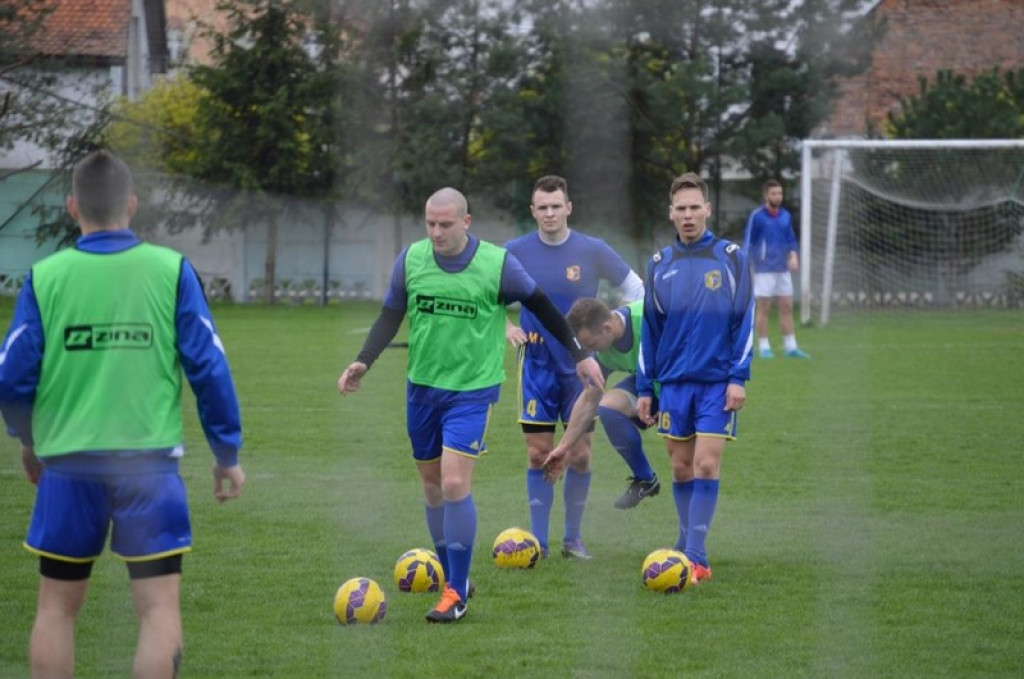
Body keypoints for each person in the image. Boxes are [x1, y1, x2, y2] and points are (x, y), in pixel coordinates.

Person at [0, 150, 245, 679]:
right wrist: (226, 451)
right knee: (158, 609)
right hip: (148, 468)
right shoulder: (171, 270)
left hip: (68, 466)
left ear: (72, 207)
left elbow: (12, 379)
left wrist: (28, 439)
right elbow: (209, 368)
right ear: (132, 205)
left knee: (56, 610)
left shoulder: (46, 278)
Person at [337, 187, 603, 624]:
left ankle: (456, 593)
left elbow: (545, 308)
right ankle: (453, 575)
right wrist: (363, 361)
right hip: (422, 390)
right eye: (430, 223)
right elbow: (390, 314)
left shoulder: (498, 265)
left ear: (466, 221)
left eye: (445, 224)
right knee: (432, 488)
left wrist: (580, 355)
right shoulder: (411, 260)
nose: (437, 232)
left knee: (455, 483)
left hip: (473, 392)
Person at [505, 175, 644, 559]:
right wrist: (508, 325)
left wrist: (616, 325)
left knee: (580, 454)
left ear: (568, 208)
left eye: (556, 206)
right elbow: (484, 293)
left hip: (581, 370)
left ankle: (572, 539)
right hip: (535, 366)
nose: (549, 213)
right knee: (538, 454)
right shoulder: (514, 251)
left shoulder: (592, 249)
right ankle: (538, 543)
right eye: (542, 207)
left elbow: (636, 289)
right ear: (533, 211)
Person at [636, 172, 754, 585]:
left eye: (694, 207)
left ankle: (698, 557)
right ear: (671, 214)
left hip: (716, 383)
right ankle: (685, 545)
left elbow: (745, 321)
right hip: (672, 385)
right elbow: (649, 332)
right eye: (680, 209)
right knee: (681, 468)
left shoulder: (733, 257)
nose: (688, 215)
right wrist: (644, 388)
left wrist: (738, 377)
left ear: (708, 209)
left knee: (706, 463)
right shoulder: (658, 265)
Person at [542, 297, 660, 509]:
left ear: (607, 327)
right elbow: (589, 399)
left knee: (685, 463)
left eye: (591, 345)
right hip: (650, 383)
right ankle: (646, 479)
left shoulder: (648, 319)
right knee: (607, 406)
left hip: (681, 382)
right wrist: (563, 447)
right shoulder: (605, 350)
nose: (589, 352)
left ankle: (690, 539)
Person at [743, 179, 810, 359]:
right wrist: (749, 262)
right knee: (764, 307)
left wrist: (793, 255)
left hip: (783, 269)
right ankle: (764, 347)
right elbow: (749, 241)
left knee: (787, 306)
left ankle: (791, 347)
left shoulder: (785, 216)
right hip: (764, 269)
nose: (778, 197)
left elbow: (791, 239)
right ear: (766, 195)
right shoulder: (757, 216)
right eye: (774, 194)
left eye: (780, 193)